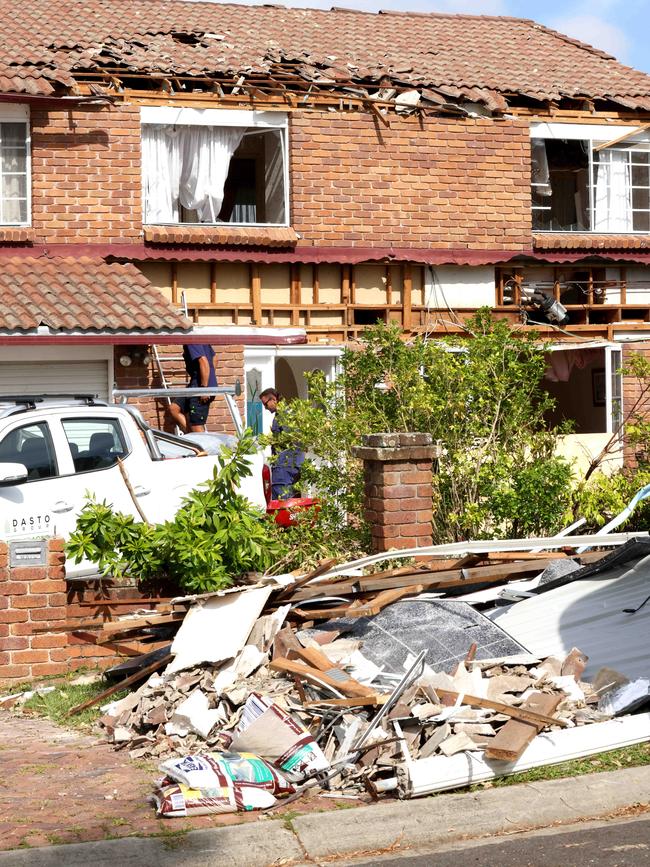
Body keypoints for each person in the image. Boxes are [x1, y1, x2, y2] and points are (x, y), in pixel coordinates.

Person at [260, 387, 304, 500]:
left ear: (274, 399)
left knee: (282, 502)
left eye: (265, 404)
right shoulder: (285, 413)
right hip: (291, 464)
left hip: (285, 466)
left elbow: (290, 437)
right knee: (293, 503)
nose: (265, 408)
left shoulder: (284, 415)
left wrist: (271, 441)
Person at [169, 344, 217, 433]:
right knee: (174, 408)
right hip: (194, 386)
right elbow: (215, 358)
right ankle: (192, 438)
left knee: (196, 425)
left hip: (200, 388)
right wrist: (211, 378)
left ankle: (200, 445)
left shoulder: (191, 341)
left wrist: (204, 388)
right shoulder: (201, 340)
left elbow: (203, 361)